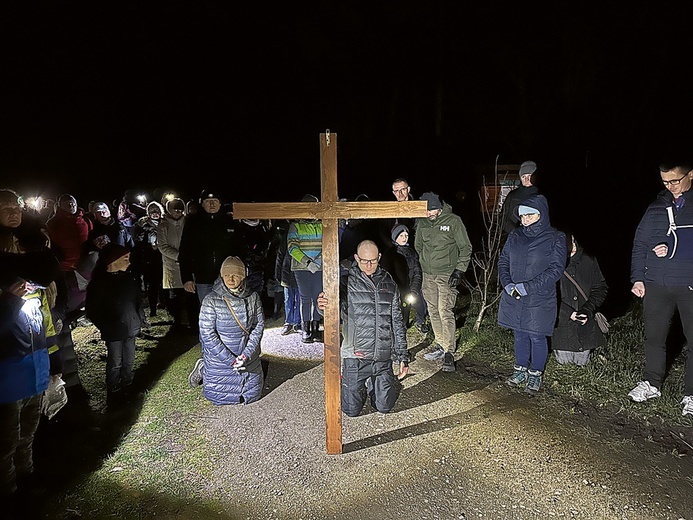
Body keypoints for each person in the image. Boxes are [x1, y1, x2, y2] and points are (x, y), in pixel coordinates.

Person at [628, 161, 693, 415]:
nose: (670, 187)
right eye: (665, 182)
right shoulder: (656, 208)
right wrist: (638, 278)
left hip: (689, 283)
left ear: (690, 174)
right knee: (654, 338)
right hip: (656, 284)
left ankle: (691, 395)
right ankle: (651, 383)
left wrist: (674, 249)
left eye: (675, 181)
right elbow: (640, 244)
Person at [317, 240, 409, 417]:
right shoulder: (345, 283)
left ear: (379, 257)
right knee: (350, 411)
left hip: (382, 356)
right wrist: (322, 305)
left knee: (384, 407)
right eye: (364, 260)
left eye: (373, 261)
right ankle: (356, 384)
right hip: (356, 357)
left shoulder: (389, 284)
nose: (368, 265)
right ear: (356, 258)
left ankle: (376, 385)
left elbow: (397, 322)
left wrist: (403, 356)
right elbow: (330, 308)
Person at [498, 194, 567, 395]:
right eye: (522, 216)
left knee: (536, 335)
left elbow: (556, 269)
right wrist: (507, 284)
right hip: (515, 294)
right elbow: (503, 262)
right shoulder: (515, 236)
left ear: (541, 214)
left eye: (530, 215)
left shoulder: (556, 237)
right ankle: (520, 370)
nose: (525, 219)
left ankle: (535, 373)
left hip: (539, 296)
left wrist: (527, 287)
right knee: (519, 333)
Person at [0, 273, 60, 501]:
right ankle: (8, 492)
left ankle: (27, 477)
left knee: (28, 434)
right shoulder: (8, 297)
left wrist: (54, 364)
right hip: (7, 384)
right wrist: (9, 300)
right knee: (6, 443)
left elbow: (46, 328)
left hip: (34, 376)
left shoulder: (35, 292)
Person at [188, 256, 264, 405]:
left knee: (253, 394)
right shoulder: (211, 300)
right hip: (221, 358)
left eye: (235, 275)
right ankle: (203, 367)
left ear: (243, 276)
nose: (230, 278)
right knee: (219, 395)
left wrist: (246, 355)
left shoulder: (253, 298)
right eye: (227, 275)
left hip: (246, 355)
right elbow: (207, 334)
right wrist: (230, 360)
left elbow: (257, 326)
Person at [415, 192, 472, 372]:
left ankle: (449, 351)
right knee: (432, 309)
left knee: (444, 310)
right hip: (428, 274)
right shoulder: (422, 222)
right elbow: (418, 246)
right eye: (426, 211)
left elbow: (465, 247)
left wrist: (459, 270)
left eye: (431, 210)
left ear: (439, 208)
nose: (428, 214)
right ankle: (440, 344)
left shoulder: (454, 221)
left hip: (447, 274)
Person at [85, 243, 145, 404]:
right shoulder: (100, 284)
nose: (129, 262)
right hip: (114, 331)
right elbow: (93, 310)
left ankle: (127, 383)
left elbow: (136, 300)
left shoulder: (128, 279)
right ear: (113, 261)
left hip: (130, 327)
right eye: (126, 258)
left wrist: (140, 318)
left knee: (129, 359)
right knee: (115, 361)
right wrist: (107, 325)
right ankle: (114, 388)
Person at [552, 234, 608, 366]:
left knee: (581, 363)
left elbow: (600, 288)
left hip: (585, 328)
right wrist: (566, 313)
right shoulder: (551, 262)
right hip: (561, 329)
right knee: (564, 363)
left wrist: (587, 310)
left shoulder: (589, 260)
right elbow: (545, 294)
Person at [179, 189, 240, 307]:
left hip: (227, 278)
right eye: (208, 201)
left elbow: (238, 249)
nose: (212, 204)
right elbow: (185, 251)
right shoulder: (193, 223)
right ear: (202, 204)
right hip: (203, 278)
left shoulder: (230, 222)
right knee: (208, 311)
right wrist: (186, 278)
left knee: (228, 310)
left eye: (215, 201)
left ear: (220, 203)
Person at [158, 197, 198, 330]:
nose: (177, 212)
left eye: (180, 209)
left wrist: (188, 257)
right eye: (174, 209)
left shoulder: (187, 223)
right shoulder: (163, 225)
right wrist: (180, 256)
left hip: (187, 264)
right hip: (171, 264)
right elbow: (162, 246)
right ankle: (177, 322)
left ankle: (193, 323)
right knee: (174, 296)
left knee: (190, 295)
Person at [287, 194, 323, 343]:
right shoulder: (295, 226)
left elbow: (328, 242)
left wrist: (320, 260)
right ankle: (306, 328)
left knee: (318, 297)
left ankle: (316, 327)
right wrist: (308, 262)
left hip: (320, 267)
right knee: (305, 298)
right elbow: (292, 247)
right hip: (301, 268)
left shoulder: (322, 224)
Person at [380, 224, 427, 333]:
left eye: (406, 235)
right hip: (397, 291)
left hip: (410, 288)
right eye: (401, 235)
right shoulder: (390, 253)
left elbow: (417, 272)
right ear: (395, 237)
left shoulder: (412, 253)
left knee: (419, 304)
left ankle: (420, 322)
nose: (404, 238)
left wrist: (414, 289)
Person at [133, 201, 165, 318]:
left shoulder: (165, 223)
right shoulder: (143, 225)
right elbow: (138, 242)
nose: (155, 213)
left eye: (157, 210)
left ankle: (164, 303)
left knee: (164, 283)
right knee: (153, 284)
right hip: (150, 258)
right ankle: (153, 308)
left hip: (164, 256)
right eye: (152, 211)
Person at [46, 193, 93, 272]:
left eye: (73, 203)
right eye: (67, 204)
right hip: (64, 266)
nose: (71, 206)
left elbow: (92, 235)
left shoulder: (85, 219)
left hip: (84, 263)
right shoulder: (53, 222)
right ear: (60, 206)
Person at [500, 160, 540, 235]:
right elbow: (503, 219)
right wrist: (516, 233)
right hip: (516, 237)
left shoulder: (541, 195)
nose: (526, 179)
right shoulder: (513, 195)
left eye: (529, 176)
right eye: (523, 176)